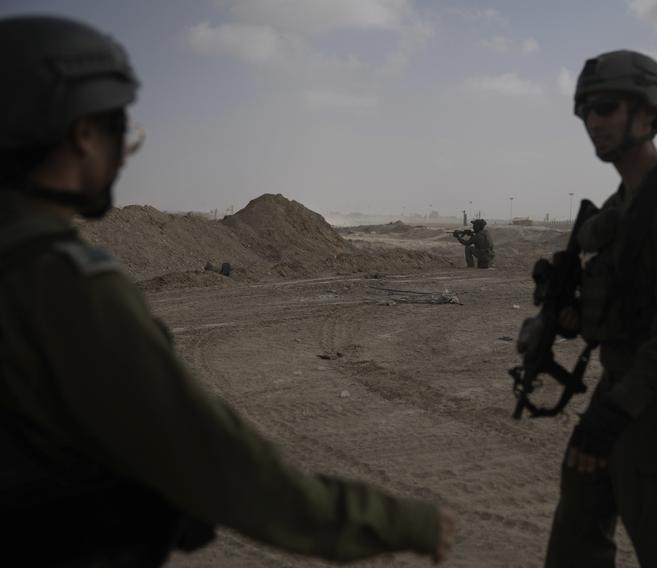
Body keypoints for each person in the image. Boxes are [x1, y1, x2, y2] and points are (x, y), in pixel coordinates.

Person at [0, 15, 454, 567]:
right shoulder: (63, 286)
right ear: (81, 133)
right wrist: (398, 521)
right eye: (120, 134)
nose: (123, 157)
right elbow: (220, 466)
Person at [544, 50, 657, 567]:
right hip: (620, 388)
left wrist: (612, 414)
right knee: (574, 543)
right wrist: (575, 315)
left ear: (648, 113)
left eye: (605, 107)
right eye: (585, 111)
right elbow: (629, 306)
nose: (593, 122)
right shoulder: (623, 204)